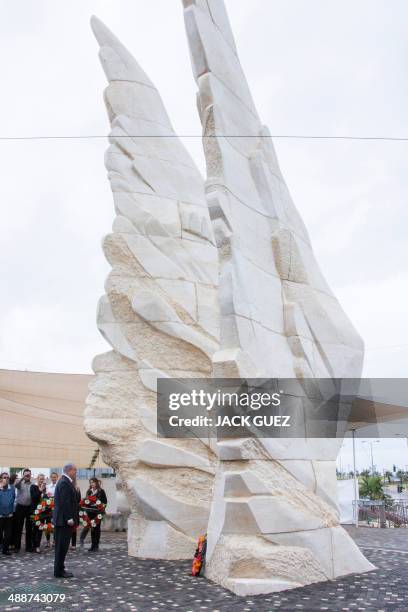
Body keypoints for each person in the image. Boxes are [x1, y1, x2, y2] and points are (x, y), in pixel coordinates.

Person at [53, 463, 78, 578]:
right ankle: (59, 571)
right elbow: (65, 502)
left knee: (62, 546)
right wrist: (69, 518)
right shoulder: (64, 482)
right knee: (61, 547)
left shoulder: (65, 481)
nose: (76, 473)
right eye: (75, 470)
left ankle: (60, 569)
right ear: (69, 470)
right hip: (63, 521)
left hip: (63, 520)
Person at [79, 478, 107, 552]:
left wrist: (101, 507)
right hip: (90, 512)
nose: (92, 484)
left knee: (97, 529)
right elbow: (86, 501)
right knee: (92, 528)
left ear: (97, 483)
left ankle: (96, 545)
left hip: (98, 513)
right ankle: (92, 546)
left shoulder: (101, 491)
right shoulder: (89, 491)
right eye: (91, 483)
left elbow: (105, 502)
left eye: (93, 482)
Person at [14, 468, 33, 552]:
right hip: (20, 507)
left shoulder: (33, 485)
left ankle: (28, 547)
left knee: (29, 528)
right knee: (18, 527)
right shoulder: (20, 483)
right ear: (23, 475)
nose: (27, 476)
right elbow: (15, 485)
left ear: (30, 475)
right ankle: (17, 547)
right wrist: (22, 478)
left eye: (28, 475)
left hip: (29, 508)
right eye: (26, 475)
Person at [30, 473, 47, 553]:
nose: (42, 480)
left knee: (40, 528)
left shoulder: (44, 488)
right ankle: (33, 545)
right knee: (34, 529)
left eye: (43, 479)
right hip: (35, 511)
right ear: (37, 479)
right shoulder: (33, 487)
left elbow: (45, 499)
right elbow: (34, 497)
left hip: (42, 512)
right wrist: (40, 490)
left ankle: (37, 546)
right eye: (40, 479)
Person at [0, 473, 15, 555]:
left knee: (8, 534)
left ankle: (5, 550)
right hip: (0, 516)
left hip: (9, 515)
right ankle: (1, 545)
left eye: (7, 478)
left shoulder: (12, 488)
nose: (6, 479)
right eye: (4, 477)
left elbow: (13, 498)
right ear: (1, 479)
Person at [45, 472, 59, 548]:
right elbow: (45, 497)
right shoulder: (48, 487)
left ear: (57, 478)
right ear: (50, 478)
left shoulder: (59, 486)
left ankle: (54, 540)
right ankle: (47, 541)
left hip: (56, 509)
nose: (53, 478)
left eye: (55, 477)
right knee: (48, 524)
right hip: (48, 509)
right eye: (52, 477)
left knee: (55, 524)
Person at [70, 481, 81, 549]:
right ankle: (67, 543)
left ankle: (73, 544)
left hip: (75, 511)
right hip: (68, 510)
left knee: (74, 528)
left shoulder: (77, 489)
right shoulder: (67, 489)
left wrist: (77, 491)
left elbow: (79, 500)